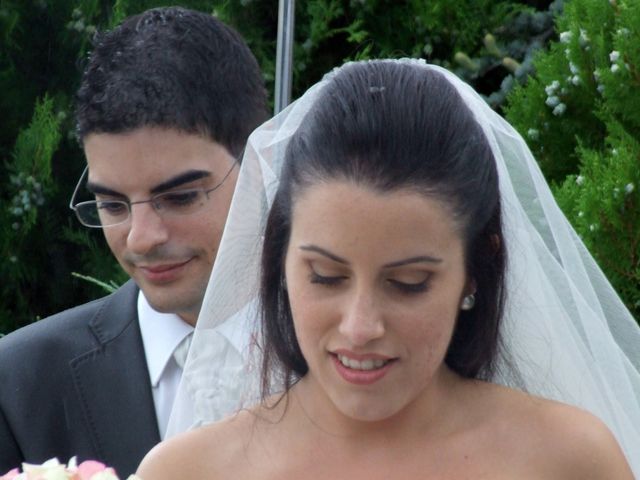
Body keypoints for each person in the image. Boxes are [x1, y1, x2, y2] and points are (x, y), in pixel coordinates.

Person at [137, 59, 640, 478]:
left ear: (473, 272)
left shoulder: (568, 460)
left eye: (408, 284)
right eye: (325, 276)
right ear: (280, 259)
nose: (360, 326)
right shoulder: (190, 471)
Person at [0, 6, 267, 477]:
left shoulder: (349, 360)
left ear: (259, 170)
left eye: (180, 197)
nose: (141, 239)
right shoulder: (19, 383)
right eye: (113, 205)